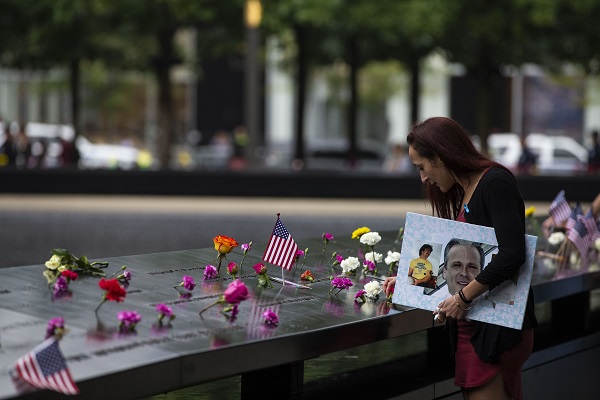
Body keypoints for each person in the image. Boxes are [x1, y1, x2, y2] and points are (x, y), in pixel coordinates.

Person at [383, 117, 537, 400]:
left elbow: (512, 254)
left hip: (496, 333)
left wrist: (463, 298)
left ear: (439, 158)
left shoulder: (495, 182)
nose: (423, 178)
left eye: (422, 168)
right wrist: (409, 281)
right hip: (477, 326)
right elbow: (461, 265)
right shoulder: (466, 189)